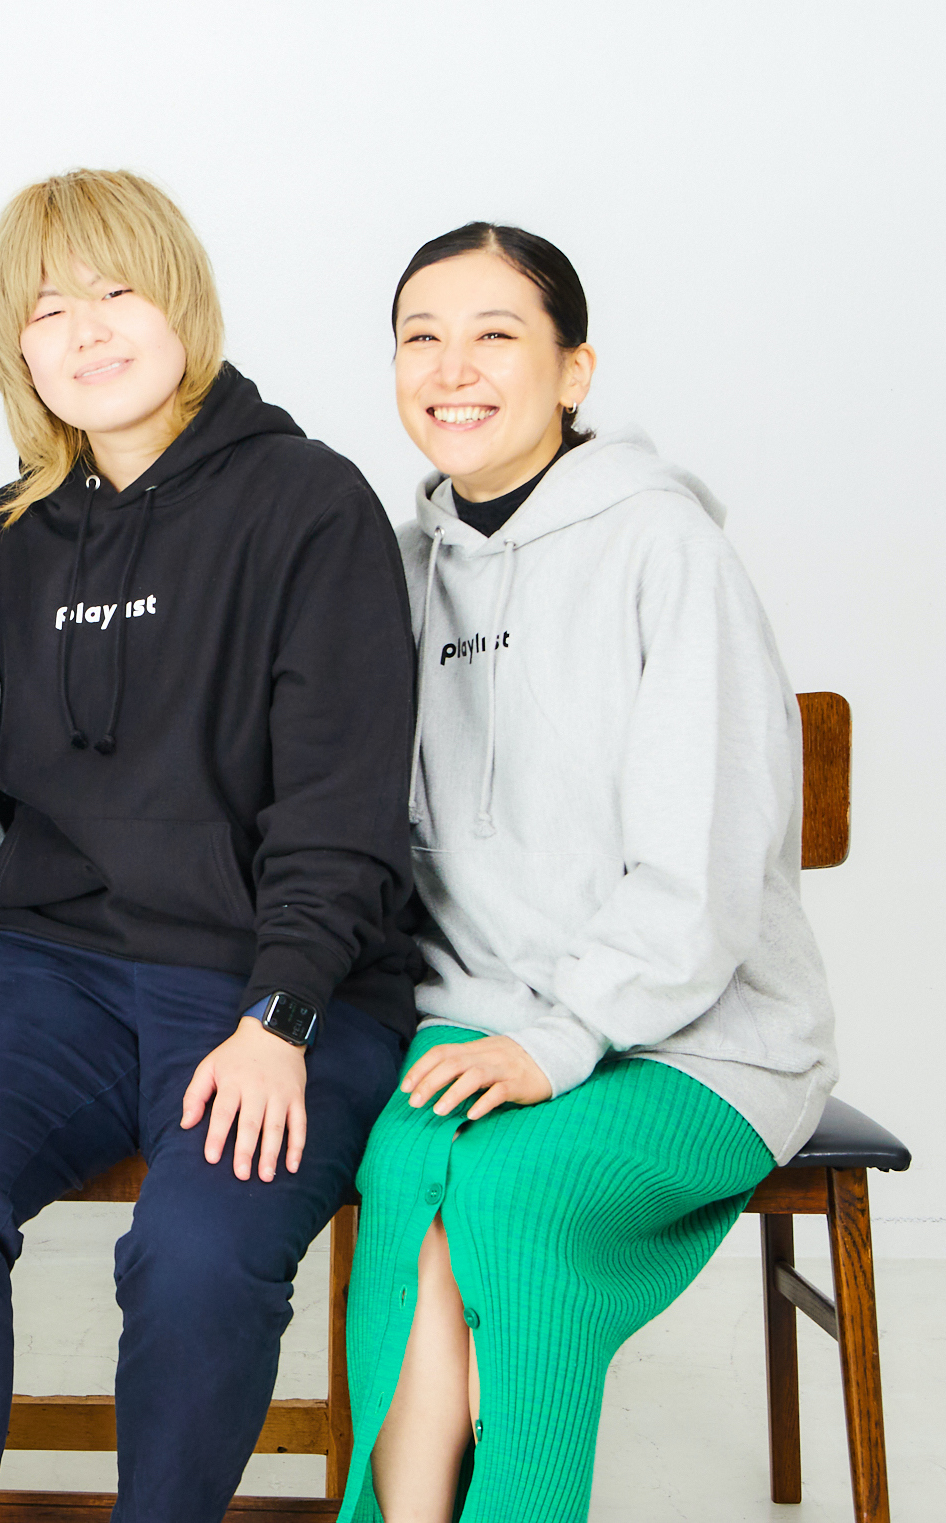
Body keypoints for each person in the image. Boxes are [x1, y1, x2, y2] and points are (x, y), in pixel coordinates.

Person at [0, 168, 419, 1523]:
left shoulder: (309, 504)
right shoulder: (8, 537)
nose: (87, 331)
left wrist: (281, 1015)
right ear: (16, 347)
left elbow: (344, 803)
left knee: (200, 1248)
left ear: (183, 303)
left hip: (275, 981)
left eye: (117, 290)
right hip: (55, 968)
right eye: (47, 309)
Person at [343, 222, 838, 1522]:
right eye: (420, 337)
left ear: (574, 370)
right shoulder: (398, 568)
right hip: (476, 1019)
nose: (452, 367)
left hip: (703, 1038)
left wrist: (559, 1041)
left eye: (495, 335)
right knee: (411, 1177)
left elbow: (703, 879)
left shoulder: (664, 549)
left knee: (513, 1189)